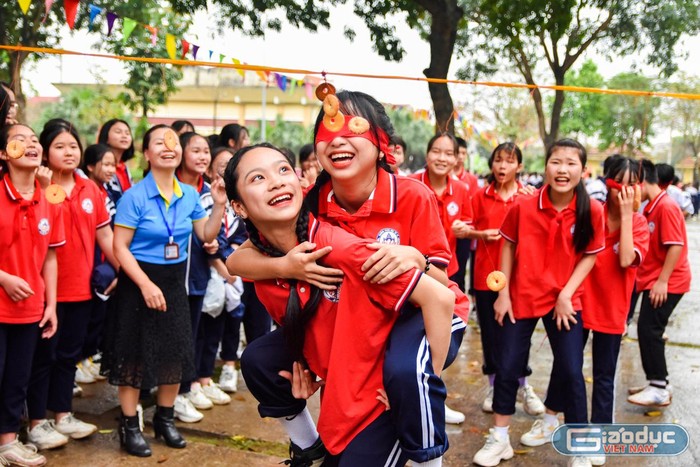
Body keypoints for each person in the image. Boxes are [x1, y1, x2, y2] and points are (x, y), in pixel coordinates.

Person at [228, 90, 468, 466]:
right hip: (363, 316)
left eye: (354, 126)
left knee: (406, 375)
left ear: (381, 142)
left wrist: (425, 385)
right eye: (327, 129)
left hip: (422, 314)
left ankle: (426, 453)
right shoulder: (308, 200)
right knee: (260, 357)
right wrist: (286, 266)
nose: (337, 137)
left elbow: (440, 287)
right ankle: (307, 447)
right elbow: (240, 258)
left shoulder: (411, 196)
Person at [473, 139, 605, 467]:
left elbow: (589, 256)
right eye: (556, 162)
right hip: (522, 296)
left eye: (571, 163)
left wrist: (565, 294)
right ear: (545, 166)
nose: (563, 170)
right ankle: (500, 439)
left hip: (566, 300)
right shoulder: (523, 206)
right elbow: (507, 246)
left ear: (583, 170)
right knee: (507, 365)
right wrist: (502, 293)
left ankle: (578, 445)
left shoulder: (593, 210)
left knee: (572, 370)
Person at [100, 124, 227, 457]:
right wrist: (143, 283)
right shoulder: (134, 196)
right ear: (147, 153)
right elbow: (120, 246)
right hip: (138, 280)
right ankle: (129, 424)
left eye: (174, 142)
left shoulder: (187, 195)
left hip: (172, 282)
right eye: (159, 142)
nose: (168, 147)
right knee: (134, 356)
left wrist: (218, 205)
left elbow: (206, 236)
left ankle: (165, 419)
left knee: (175, 352)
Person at [26, 121, 117, 450]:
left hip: (80, 288)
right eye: (60, 146)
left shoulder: (90, 189)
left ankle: (63, 415)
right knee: (42, 358)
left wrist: (126, 273)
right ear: (46, 152)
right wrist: (41, 185)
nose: (69, 152)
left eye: (73, 146)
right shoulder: (34, 188)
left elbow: (105, 236)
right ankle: (37, 421)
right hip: (44, 291)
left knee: (68, 356)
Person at [579, 156, 650, 465]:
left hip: (612, 308)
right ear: (605, 181)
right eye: (618, 181)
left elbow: (625, 260)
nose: (624, 189)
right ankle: (552, 418)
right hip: (580, 301)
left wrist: (626, 214)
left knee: (604, 376)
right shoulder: (592, 212)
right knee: (568, 366)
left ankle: (598, 435)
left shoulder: (638, 223)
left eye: (632, 183)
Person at [464, 142, 544, 416]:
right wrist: (481, 235)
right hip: (486, 277)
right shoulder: (479, 196)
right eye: (498, 160)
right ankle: (494, 384)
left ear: (519, 167)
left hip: (520, 279)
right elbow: (462, 228)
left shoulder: (529, 197)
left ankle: (522, 384)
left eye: (509, 162)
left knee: (517, 335)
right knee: (490, 334)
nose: (502, 166)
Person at [0, 123, 63, 467]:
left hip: (30, 307)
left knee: (17, 379)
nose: (30, 145)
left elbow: (50, 255)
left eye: (35, 140)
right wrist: (4, 278)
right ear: (2, 153)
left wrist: (50, 303)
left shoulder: (48, 198)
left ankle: (8, 442)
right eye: (18, 140)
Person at [173, 132, 232, 424]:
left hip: (197, 276)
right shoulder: (169, 188)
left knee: (193, 335)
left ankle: (187, 389)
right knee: (175, 337)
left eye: (205, 151)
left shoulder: (210, 192)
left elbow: (214, 231)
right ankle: (169, 395)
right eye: (195, 150)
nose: (202, 156)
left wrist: (213, 243)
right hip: (169, 278)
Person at [627, 160, 691, 407]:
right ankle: (657, 382)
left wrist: (662, 281)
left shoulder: (666, 206)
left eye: (632, 183)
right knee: (647, 329)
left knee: (649, 330)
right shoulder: (651, 207)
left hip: (669, 281)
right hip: (656, 279)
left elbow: (675, 245)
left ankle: (658, 386)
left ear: (641, 181)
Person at [410, 133, 473, 283]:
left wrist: (463, 229)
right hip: (413, 270)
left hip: (449, 270)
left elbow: (468, 225)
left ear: (456, 159)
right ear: (427, 155)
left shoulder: (462, 189)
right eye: (436, 152)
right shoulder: (410, 185)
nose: (442, 158)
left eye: (449, 154)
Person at [97, 119, 135, 203]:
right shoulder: (99, 166)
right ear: (106, 137)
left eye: (127, 133)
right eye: (118, 132)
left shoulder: (124, 168)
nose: (124, 136)